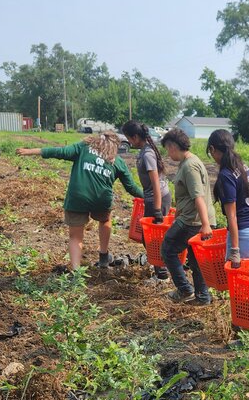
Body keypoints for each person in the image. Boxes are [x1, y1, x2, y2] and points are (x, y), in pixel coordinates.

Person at [16, 132, 143, 270]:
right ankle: (103, 256)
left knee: (75, 237)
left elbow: (59, 151)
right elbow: (131, 187)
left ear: (96, 140)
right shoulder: (117, 161)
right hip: (101, 199)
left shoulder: (83, 148)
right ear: (115, 147)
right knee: (105, 220)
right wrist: (152, 197)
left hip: (78, 198)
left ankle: (76, 271)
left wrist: (30, 151)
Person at [159, 128, 216, 304]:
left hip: (194, 221)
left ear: (174, 146)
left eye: (168, 149)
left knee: (167, 249)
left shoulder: (190, 166)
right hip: (196, 218)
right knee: (195, 258)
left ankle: (185, 290)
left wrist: (205, 224)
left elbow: (197, 196)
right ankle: (202, 296)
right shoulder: (189, 162)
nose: (168, 154)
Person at [206, 129, 249, 268]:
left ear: (212, 149)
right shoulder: (243, 167)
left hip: (245, 235)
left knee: (237, 282)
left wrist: (234, 250)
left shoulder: (226, 174)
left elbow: (232, 216)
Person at [121, 121, 171, 281]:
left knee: (154, 237)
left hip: (158, 198)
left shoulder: (148, 154)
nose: (128, 141)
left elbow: (155, 182)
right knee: (148, 237)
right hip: (153, 198)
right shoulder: (144, 151)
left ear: (135, 137)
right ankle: (160, 268)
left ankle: (162, 274)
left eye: (129, 138)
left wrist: (156, 209)